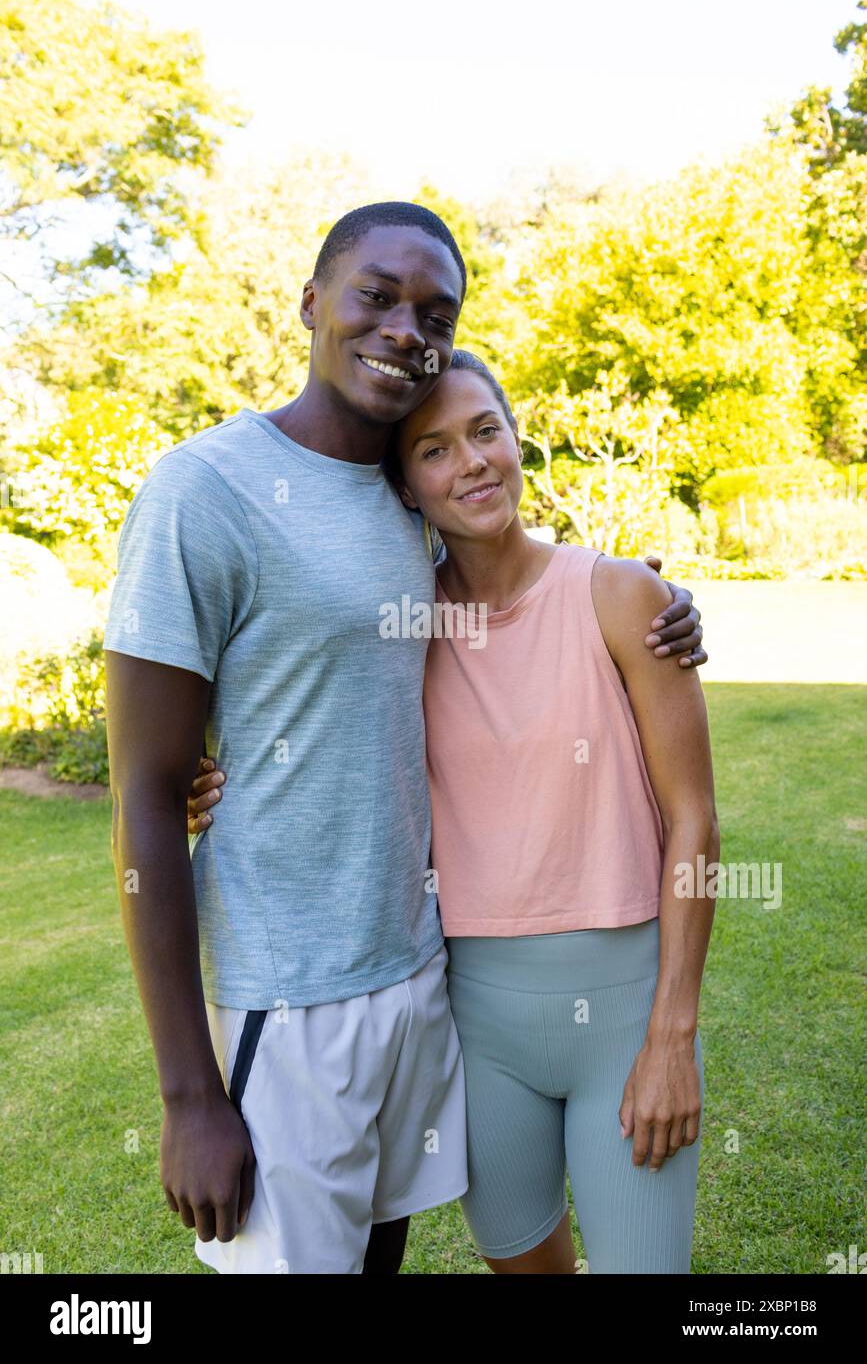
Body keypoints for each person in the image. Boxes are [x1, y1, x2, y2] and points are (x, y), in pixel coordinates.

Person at [105, 201, 707, 1277]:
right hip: (289, 1003)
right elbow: (146, 792)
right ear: (311, 303)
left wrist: (662, 602)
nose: (402, 327)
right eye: (375, 295)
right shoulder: (203, 489)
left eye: (435, 311)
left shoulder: (405, 507)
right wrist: (189, 1093)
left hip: (422, 983)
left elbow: (521, 590)